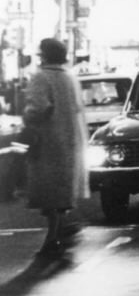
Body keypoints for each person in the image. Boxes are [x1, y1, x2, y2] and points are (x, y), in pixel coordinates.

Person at [22, 38, 89, 255]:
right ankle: (59, 230)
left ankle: (53, 236)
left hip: (48, 140)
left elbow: (39, 107)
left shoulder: (41, 77)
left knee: (48, 191)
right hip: (70, 139)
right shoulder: (69, 77)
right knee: (62, 190)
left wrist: (27, 116)